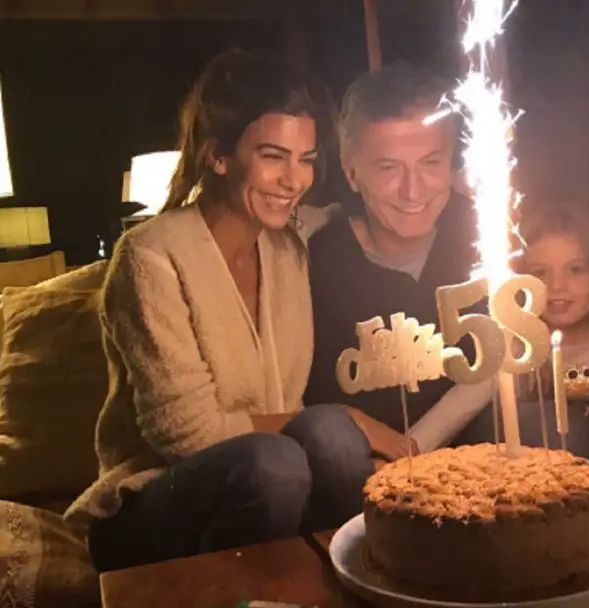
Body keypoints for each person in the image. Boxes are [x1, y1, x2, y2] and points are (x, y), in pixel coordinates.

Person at [64, 49, 374, 573]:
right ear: (219, 156)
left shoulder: (288, 246)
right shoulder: (150, 256)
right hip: (150, 501)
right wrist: (352, 417)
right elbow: (188, 434)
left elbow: (357, 211)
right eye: (274, 156)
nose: (295, 180)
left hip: (271, 491)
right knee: (279, 459)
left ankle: (344, 584)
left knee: (334, 441)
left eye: (306, 158)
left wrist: (453, 191)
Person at [303, 62, 493, 463]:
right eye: (389, 167)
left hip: (465, 447)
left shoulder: (485, 237)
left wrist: (411, 451)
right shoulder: (318, 263)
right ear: (351, 172)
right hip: (359, 466)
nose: (412, 190)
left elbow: (498, 365)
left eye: (430, 163)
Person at [463, 202, 589, 466]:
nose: (557, 286)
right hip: (548, 478)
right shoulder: (515, 341)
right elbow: (463, 402)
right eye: (540, 272)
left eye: (575, 269)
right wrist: (415, 444)